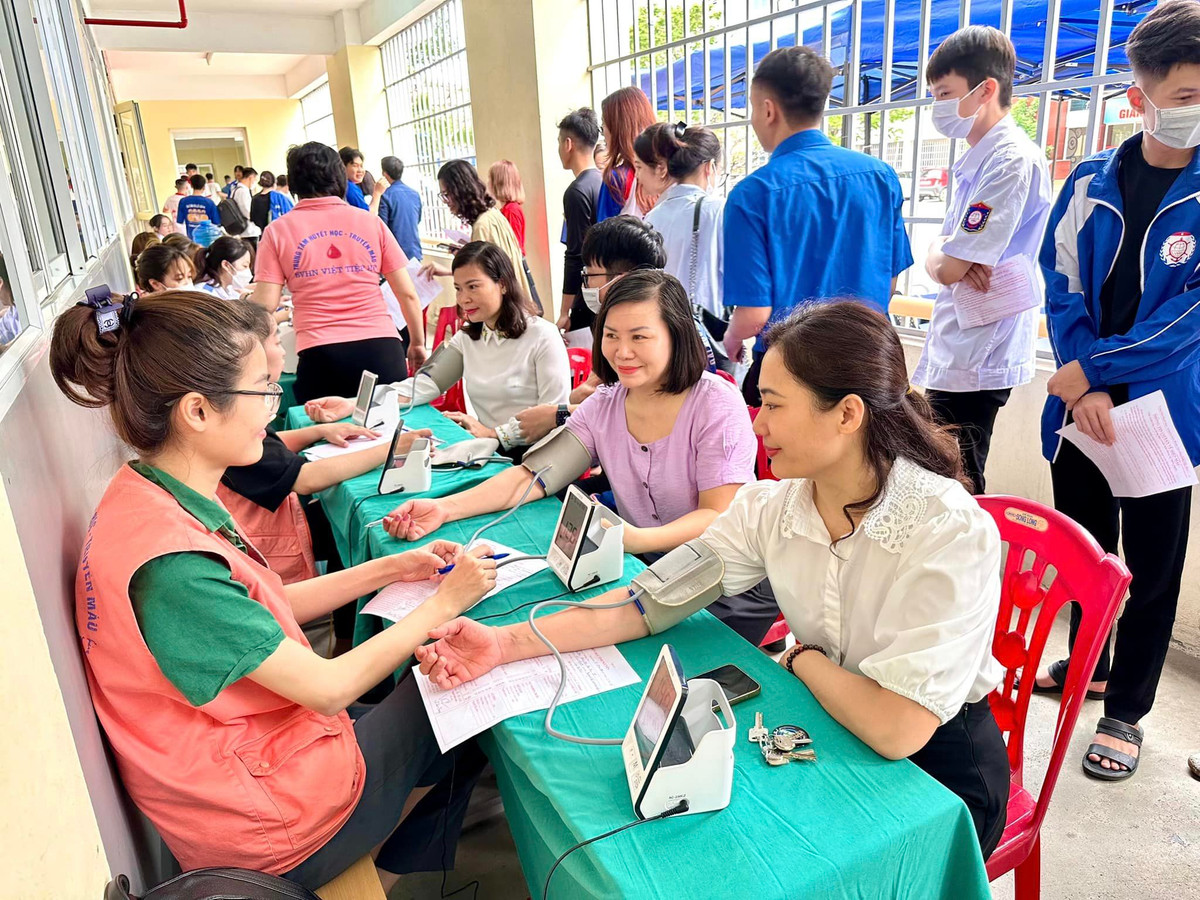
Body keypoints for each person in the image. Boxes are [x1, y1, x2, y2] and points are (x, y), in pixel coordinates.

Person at [415, 300, 1010, 857]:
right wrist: (504, 643)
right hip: (828, 726)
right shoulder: (773, 508)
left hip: (938, 775)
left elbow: (897, 727)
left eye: (775, 405)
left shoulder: (947, 530)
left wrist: (800, 659)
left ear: (847, 414)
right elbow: (648, 601)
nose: (759, 424)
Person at [49, 290, 493, 891]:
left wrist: (390, 570)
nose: (276, 403)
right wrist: (445, 602)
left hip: (252, 770)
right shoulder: (170, 567)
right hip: (268, 826)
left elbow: (261, 606)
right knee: (478, 700)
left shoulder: (146, 494)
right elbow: (328, 686)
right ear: (198, 411)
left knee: (434, 698)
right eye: (262, 386)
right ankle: (387, 875)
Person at [382, 272, 766, 645]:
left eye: (640, 337)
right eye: (611, 336)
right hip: (651, 567)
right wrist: (444, 509)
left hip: (729, 580)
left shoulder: (715, 401)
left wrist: (634, 539)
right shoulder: (605, 404)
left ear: (676, 335)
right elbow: (530, 477)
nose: (622, 352)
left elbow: (717, 516)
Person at [1033, 1, 1200, 782]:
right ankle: (1089, 661)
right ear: (1141, 98)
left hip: (1164, 417)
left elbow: (1189, 317)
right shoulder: (1090, 179)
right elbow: (1060, 284)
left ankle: (1126, 712)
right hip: (1080, 414)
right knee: (1086, 555)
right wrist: (1080, 381)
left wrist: (1094, 374)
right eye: (1190, 96)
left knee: (1155, 567)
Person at [721, 46, 913, 404]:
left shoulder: (753, 195)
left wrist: (730, 342)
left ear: (767, 109)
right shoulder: (880, 176)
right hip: (869, 365)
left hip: (791, 373)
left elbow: (754, 316)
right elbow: (888, 283)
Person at [911, 27, 1052, 496]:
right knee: (941, 473)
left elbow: (949, 268)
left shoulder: (1011, 161)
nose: (939, 108)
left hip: (979, 351)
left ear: (986, 89)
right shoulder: (979, 158)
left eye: (945, 94)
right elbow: (946, 258)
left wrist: (941, 253)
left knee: (958, 482)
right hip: (962, 343)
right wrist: (942, 252)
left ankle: (968, 568)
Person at [220, 305, 432, 592]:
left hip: (270, 536)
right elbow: (307, 479)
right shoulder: (236, 421)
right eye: (277, 341)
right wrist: (392, 448)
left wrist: (320, 431)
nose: (284, 351)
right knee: (350, 530)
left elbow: (265, 444)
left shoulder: (236, 417)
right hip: (269, 550)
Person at [306, 242, 568, 457]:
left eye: (473, 286)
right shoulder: (468, 338)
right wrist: (352, 404)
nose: (463, 298)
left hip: (537, 454)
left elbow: (553, 416)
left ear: (503, 284)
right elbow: (422, 385)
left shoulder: (542, 336)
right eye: (458, 288)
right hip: (489, 450)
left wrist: (496, 434)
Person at [251, 142, 426, 404]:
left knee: (327, 439)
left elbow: (265, 304)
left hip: (322, 355)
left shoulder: (277, 231)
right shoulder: (370, 222)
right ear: (339, 177)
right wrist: (417, 343)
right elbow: (408, 294)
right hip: (383, 349)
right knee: (391, 437)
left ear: (295, 183)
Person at [640, 122, 730, 371]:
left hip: (664, 327)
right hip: (706, 329)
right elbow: (731, 273)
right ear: (709, 167)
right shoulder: (716, 210)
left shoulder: (653, 216)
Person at [420, 160, 533, 305]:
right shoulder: (492, 214)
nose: (446, 201)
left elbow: (484, 278)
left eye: (447, 194)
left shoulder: (482, 225)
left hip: (505, 306)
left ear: (460, 191)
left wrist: (451, 271)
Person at [554, 107, 604, 340]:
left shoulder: (576, 191)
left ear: (568, 144)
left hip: (589, 292)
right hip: (608, 285)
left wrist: (565, 311)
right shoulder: (604, 181)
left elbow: (575, 255)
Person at [596, 86, 658, 221]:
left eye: (604, 125)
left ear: (618, 128)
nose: (603, 132)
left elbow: (602, 237)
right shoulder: (670, 174)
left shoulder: (617, 179)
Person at [378, 155, 423, 262]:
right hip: (415, 251)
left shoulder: (385, 195)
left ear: (385, 173)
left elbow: (383, 227)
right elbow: (418, 219)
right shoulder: (414, 194)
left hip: (396, 254)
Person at [195, 236, 254, 301]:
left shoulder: (229, 289)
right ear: (226, 265)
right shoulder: (205, 294)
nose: (248, 271)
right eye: (244, 266)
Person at [488, 160, 526, 252]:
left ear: (499, 183)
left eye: (490, 178)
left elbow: (513, 247)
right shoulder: (507, 209)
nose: (488, 182)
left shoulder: (511, 211)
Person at [176, 173, 222, 241]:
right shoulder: (209, 203)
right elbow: (216, 222)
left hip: (192, 237)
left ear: (191, 186)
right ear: (204, 187)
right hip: (207, 238)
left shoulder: (183, 201)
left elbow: (180, 221)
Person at [232, 166, 261, 249]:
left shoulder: (235, 190)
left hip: (243, 230)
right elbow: (248, 211)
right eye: (254, 180)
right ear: (250, 178)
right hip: (249, 231)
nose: (254, 182)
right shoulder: (243, 191)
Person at [340, 146, 372, 212]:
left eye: (361, 166)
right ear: (343, 167)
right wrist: (378, 193)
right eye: (355, 166)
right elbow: (368, 215)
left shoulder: (343, 185)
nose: (360, 170)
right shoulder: (349, 187)